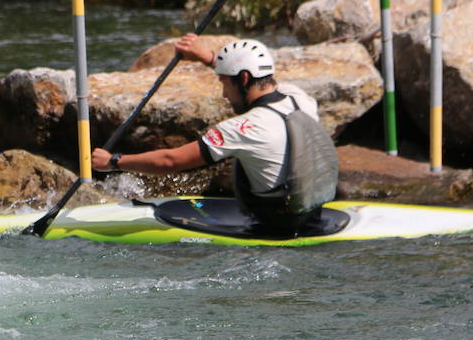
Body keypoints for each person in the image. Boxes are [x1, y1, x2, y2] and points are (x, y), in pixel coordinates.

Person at [91, 34, 339, 235]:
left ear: (242, 79)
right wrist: (209, 58)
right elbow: (253, 77)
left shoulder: (244, 128)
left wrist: (114, 162)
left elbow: (171, 161)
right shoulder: (299, 98)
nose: (223, 94)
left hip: (275, 223)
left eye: (224, 83)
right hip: (311, 210)